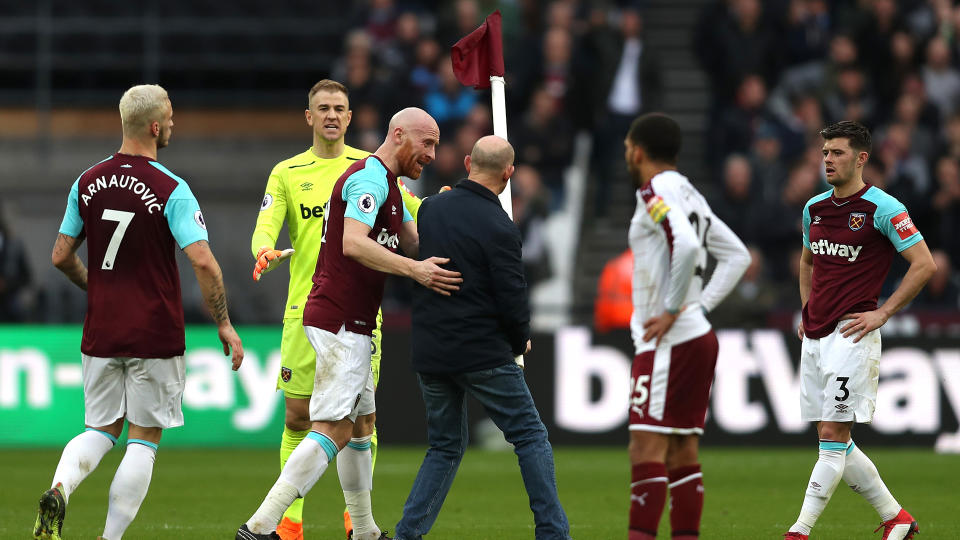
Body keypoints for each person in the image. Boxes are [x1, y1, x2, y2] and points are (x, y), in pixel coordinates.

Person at [237, 107, 461, 540]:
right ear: (398, 136)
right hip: (339, 319)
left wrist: (460, 213)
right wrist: (415, 273)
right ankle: (260, 525)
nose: (433, 154)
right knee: (333, 427)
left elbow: (417, 241)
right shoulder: (369, 179)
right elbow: (354, 243)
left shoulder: (391, 188)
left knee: (362, 425)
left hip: (352, 320)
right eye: (427, 142)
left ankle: (364, 529)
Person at [34, 84, 244, 540]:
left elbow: (59, 255)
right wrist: (224, 323)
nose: (173, 123)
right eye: (169, 117)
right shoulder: (172, 188)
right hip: (155, 333)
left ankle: (60, 487)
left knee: (100, 429)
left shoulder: (86, 181)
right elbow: (203, 261)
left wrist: (96, 286)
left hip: (102, 329)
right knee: (143, 439)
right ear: (154, 126)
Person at [393, 135, 571, 540]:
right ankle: (553, 533)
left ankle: (407, 534)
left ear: (469, 161)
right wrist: (518, 338)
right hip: (482, 353)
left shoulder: (432, 209)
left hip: (432, 352)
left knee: (444, 447)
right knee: (530, 436)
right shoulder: (501, 227)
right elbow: (512, 296)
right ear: (509, 174)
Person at [783, 120, 935, 540]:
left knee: (832, 436)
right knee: (833, 440)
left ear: (861, 158)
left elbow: (925, 264)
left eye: (837, 153)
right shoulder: (814, 207)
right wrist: (807, 309)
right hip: (814, 336)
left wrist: (883, 313)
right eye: (825, 152)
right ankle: (897, 518)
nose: (828, 160)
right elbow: (808, 262)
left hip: (853, 334)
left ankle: (799, 531)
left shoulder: (884, 208)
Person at [624, 113, 750, 540]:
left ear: (638, 150)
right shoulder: (690, 192)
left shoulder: (653, 189)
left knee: (645, 446)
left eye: (628, 147)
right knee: (681, 450)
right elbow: (737, 256)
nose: (627, 154)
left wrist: (677, 308)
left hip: (671, 339)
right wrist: (699, 307)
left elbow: (688, 243)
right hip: (696, 336)